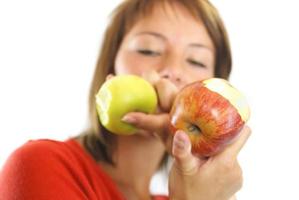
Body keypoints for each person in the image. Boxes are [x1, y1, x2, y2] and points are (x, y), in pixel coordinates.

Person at [0, 0, 251, 199]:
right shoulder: (42, 165)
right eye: (148, 50)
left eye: (196, 61)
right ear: (111, 67)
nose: (172, 70)